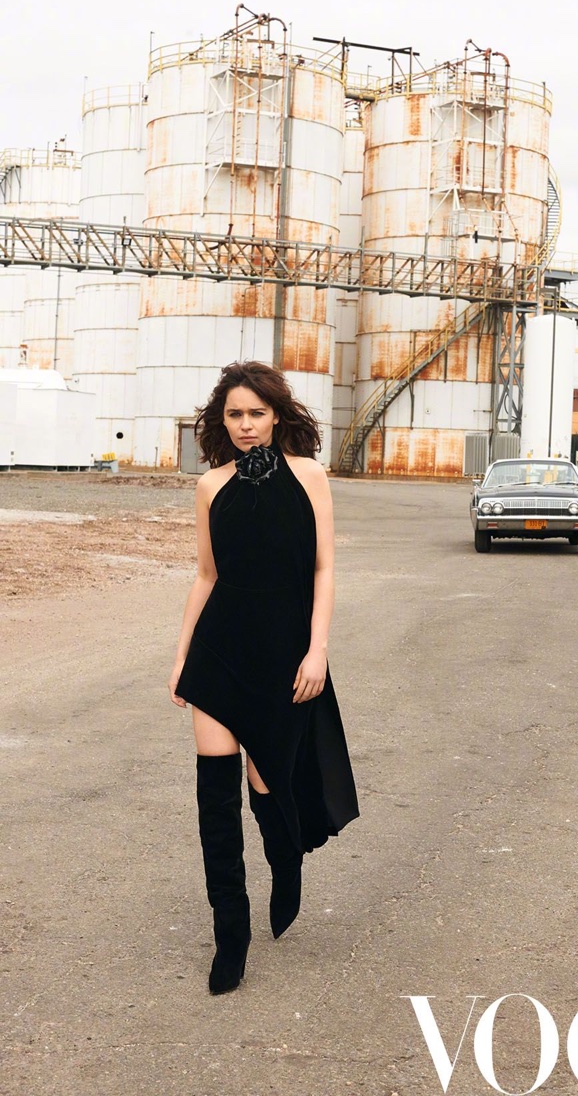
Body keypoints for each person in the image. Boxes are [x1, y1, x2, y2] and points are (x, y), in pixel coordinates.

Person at [168, 361, 359, 995]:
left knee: (267, 779)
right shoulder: (209, 486)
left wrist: (318, 651)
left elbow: (324, 570)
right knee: (214, 799)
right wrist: (180, 659)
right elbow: (206, 576)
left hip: (285, 654)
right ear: (220, 422)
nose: (246, 425)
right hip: (220, 650)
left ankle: (284, 859)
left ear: (276, 414)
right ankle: (232, 934)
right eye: (234, 415)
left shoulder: (310, 476)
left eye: (256, 413)